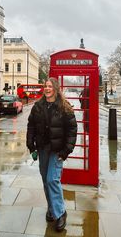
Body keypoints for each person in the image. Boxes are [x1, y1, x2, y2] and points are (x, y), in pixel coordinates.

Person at [26, 77, 77, 232]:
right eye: (45, 86)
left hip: (57, 150)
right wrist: (31, 145)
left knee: (52, 180)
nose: (47, 88)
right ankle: (52, 208)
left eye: (50, 86)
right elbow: (31, 126)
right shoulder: (38, 106)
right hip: (42, 149)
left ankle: (61, 213)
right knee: (45, 180)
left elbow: (72, 130)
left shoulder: (64, 107)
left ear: (56, 88)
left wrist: (66, 151)